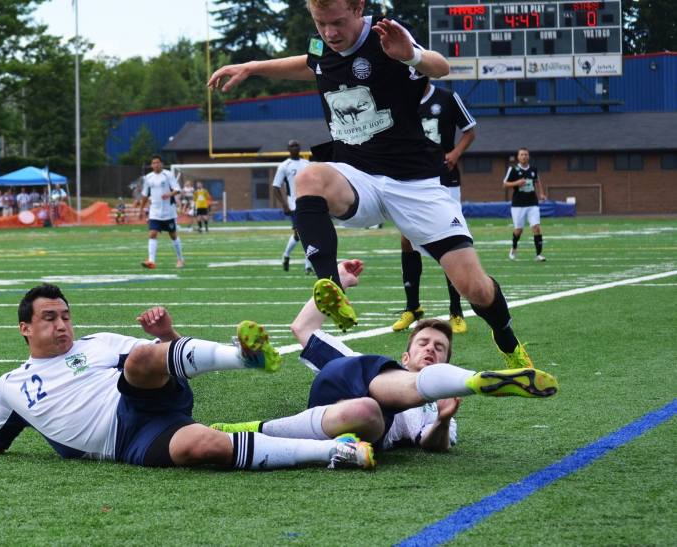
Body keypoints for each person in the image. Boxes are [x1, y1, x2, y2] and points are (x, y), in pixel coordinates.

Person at [208, 0, 534, 370]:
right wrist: (252, 68)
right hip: (357, 175)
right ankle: (330, 287)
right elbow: (310, 64)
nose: (329, 33)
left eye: (337, 23)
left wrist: (410, 55)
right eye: (320, 23)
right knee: (308, 176)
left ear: (359, 7)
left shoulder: (386, 35)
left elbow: (440, 67)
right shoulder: (321, 45)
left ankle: (508, 343)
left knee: (473, 288)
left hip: (414, 182)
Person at [0, 284, 375, 471]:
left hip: (140, 400)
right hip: (130, 442)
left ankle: (245, 358)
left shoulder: (98, 343)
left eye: (65, 316)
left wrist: (167, 335)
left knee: (140, 357)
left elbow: (161, 361)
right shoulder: (11, 385)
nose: (61, 325)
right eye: (50, 318)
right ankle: (337, 452)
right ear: (25, 328)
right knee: (200, 448)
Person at [211, 260, 559, 453]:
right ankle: (473, 380)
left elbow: (432, 446)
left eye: (439, 349)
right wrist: (339, 284)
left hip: (368, 424)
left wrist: (441, 419)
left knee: (367, 409)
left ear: (446, 361)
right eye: (423, 343)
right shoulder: (366, 361)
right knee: (362, 367)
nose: (430, 350)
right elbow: (302, 328)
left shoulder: (437, 406)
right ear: (405, 356)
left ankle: (475, 382)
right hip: (349, 380)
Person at [393, 81, 477, 334]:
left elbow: (470, 130)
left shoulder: (448, 98)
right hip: (412, 179)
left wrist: (455, 154)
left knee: (450, 242)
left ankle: (456, 310)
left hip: (444, 179)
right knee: (406, 240)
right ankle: (413, 307)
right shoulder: (398, 98)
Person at [272, 139, 314, 274]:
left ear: (300, 147)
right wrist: (284, 204)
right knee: (299, 235)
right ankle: (286, 255)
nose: (295, 147)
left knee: (308, 234)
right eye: (292, 146)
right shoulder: (284, 166)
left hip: (308, 203)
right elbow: (275, 187)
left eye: (296, 145)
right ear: (288, 149)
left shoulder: (307, 164)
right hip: (294, 205)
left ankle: (308, 266)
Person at [139, 155, 185, 269]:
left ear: (162, 164)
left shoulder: (168, 174)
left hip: (168, 212)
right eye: (154, 163)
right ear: (151, 165)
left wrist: (169, 194)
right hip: (154, 212)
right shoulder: (148, 177)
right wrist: (141, 209)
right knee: (152, 234)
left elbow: (177, 189)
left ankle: (180, 259)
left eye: (158, 162)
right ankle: (151, 261)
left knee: (173, 236)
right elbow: (145, 195)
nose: (156, 165)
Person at [504, 148, 547, 262]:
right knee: (519, 230)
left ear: (529, 156)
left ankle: (539, 254)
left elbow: (537, 182)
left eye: (526, 154)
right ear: (518, 157)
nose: (524, 156)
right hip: (518, 204)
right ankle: (513, 248)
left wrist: (542, 193)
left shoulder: (533, 169)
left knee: (536, 227)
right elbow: (505, 184)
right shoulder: (513, 169)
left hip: (532, 203)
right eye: (522, 154)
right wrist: (517, 183)